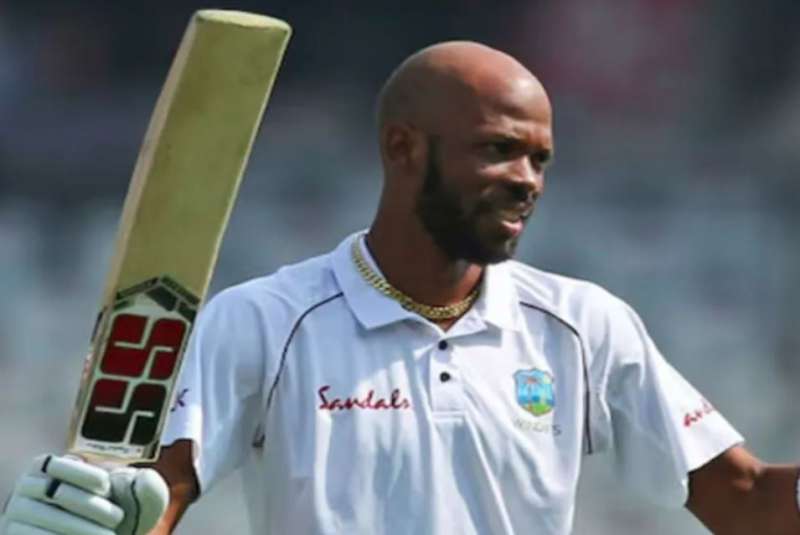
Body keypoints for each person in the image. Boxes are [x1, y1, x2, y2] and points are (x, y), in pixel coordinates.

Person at [2, 41, 799, 535]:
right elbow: (158, 495)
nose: (527, 179)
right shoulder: (264, 320)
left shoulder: (584, 324)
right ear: (402, 147)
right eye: (499, 149)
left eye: (540, 159)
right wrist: (96, 519)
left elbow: (745, 498)